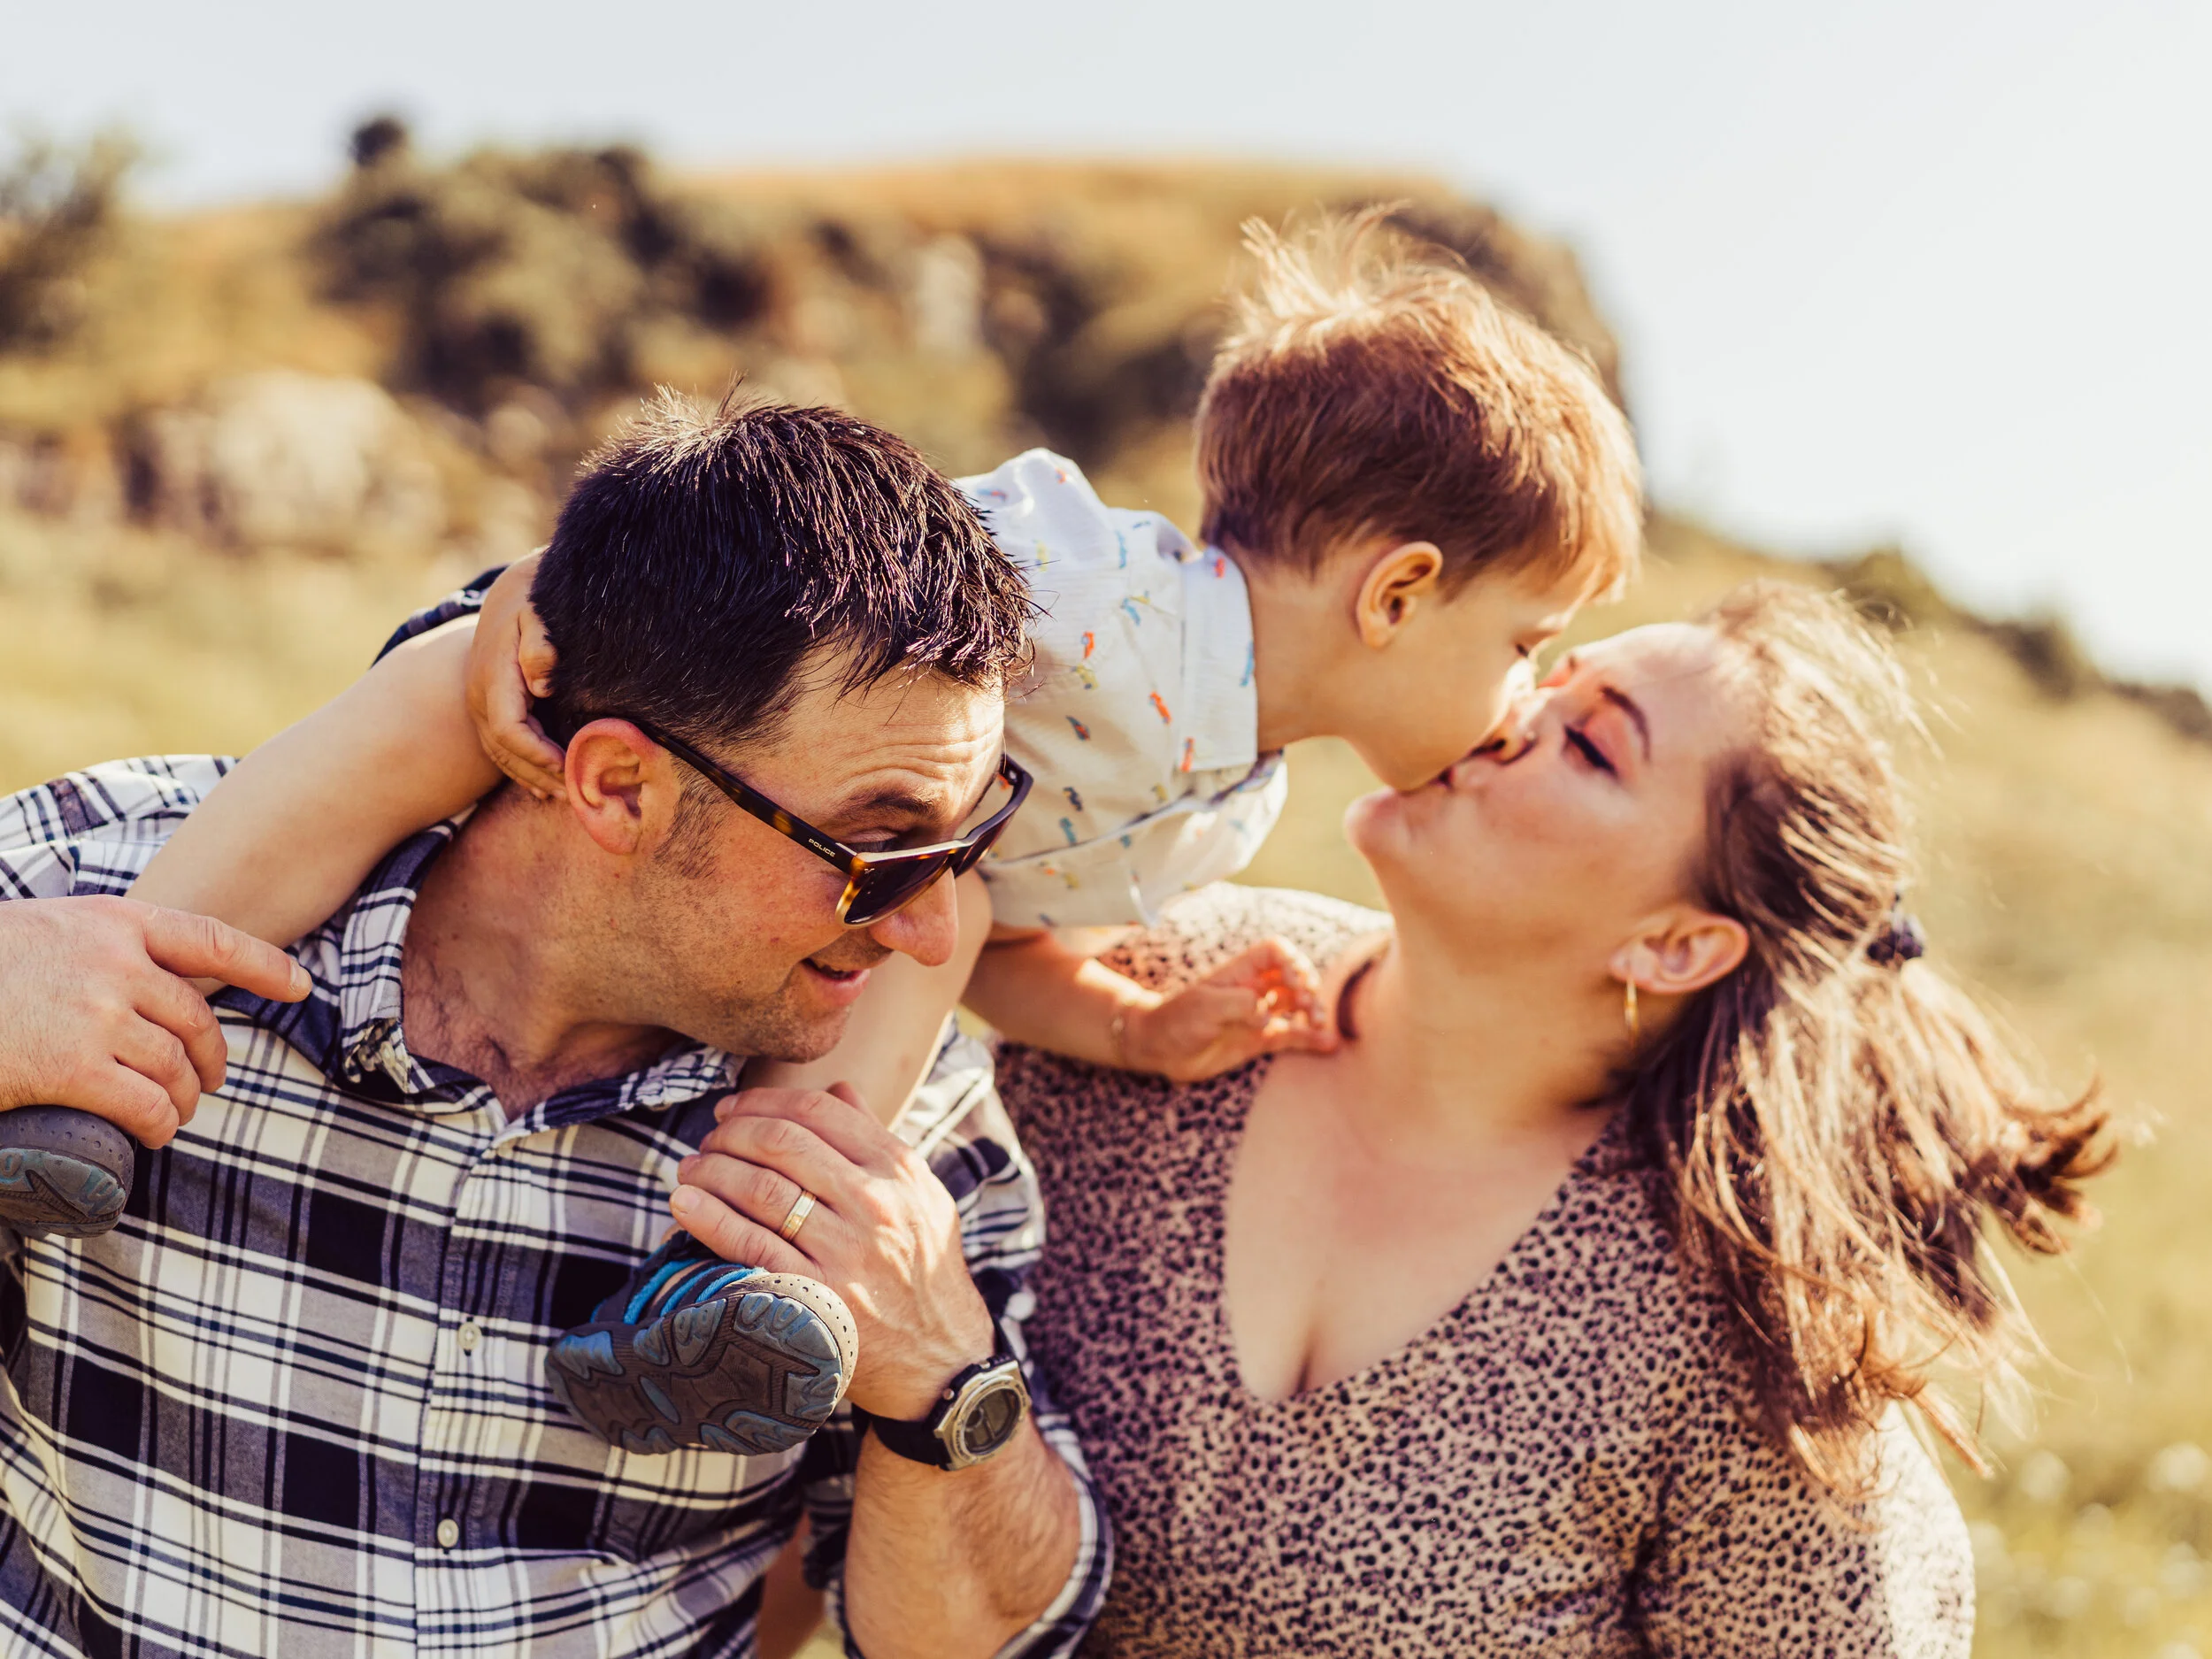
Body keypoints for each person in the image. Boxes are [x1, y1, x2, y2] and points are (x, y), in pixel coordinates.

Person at [76, 211, 1640, 1458]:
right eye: (1529, 639)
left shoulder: (1230, 804)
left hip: (853, 879)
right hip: (604, 678)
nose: (1535, 689)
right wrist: (539, 596)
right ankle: (112, 1011)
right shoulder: (1093, 578)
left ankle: (713, 1292)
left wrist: (1126, 1017)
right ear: (1400, 594)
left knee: (934, 922)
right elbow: (771, 547)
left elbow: (988, 951)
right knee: (417, 716)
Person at [0, 397, 1103, 1659]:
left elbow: (992, 1643)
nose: (926, 934)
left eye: (967, 841)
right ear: (618, 783)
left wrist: (945, 1379)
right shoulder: (88, 901)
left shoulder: (912, 1144)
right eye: (877, 846)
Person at [986, 581, 2111, 1655]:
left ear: (1673, 946)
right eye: (1543, 674)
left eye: (1588, 743)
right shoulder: (1148, 988)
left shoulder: (1741, 1347)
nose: (1500, 715)